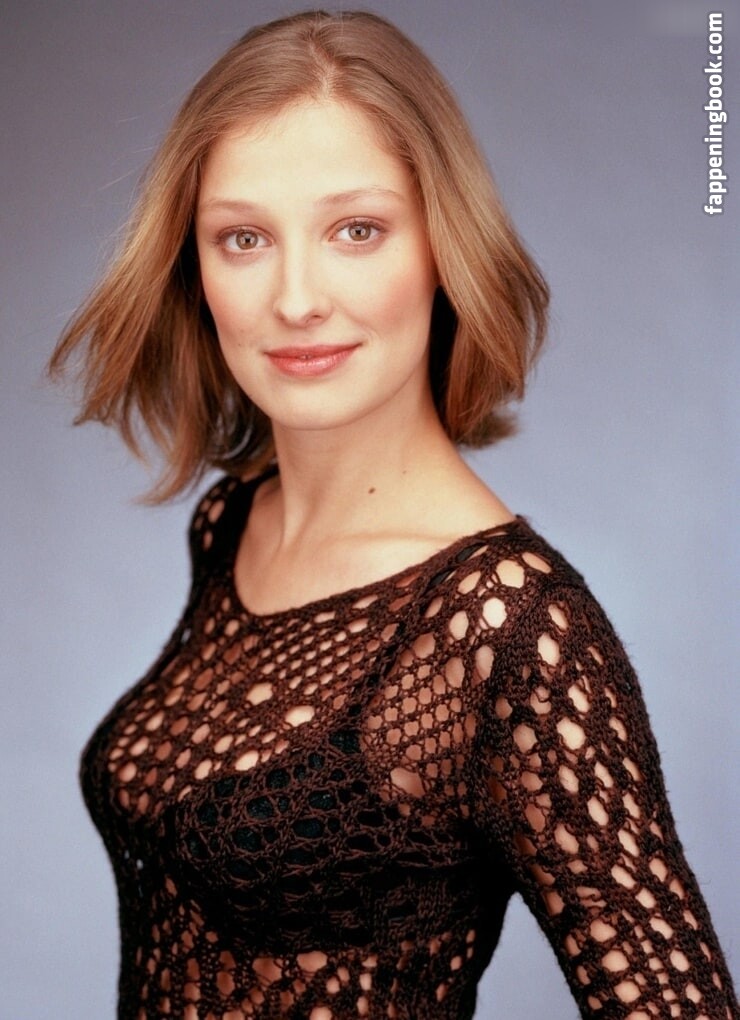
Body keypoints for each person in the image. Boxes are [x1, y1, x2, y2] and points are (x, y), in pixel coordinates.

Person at [49, 10, 736, 1020]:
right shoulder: (233, 523)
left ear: (442, 248)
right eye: (244, 238)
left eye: (355, 231)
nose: (296, 298)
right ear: (194, 268)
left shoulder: (506, 624)